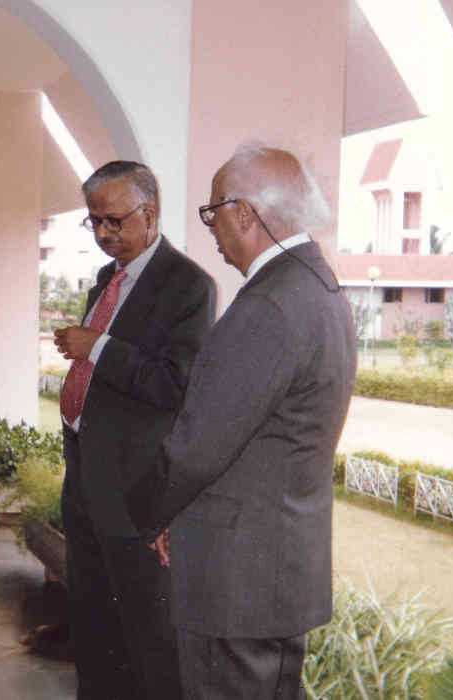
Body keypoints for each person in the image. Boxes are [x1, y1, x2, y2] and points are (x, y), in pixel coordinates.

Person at [126, 145, 356, 699]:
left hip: (235, 578)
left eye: (213, 213)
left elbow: (199, 445)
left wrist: (150, 513)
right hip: (271, 567)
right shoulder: (319, 289)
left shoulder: (270, 305)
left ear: (245, 213)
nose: (210, 228)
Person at [53, 160, 216, 699]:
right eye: (93, 221)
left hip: (134, 495)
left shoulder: (188, 286)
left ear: (149, 214)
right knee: (94, 638)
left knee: (146, 648)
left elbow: (175, 383)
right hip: (84, 484)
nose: (102, 234)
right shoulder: (107, 280)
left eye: (114, 221)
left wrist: (96, 347)